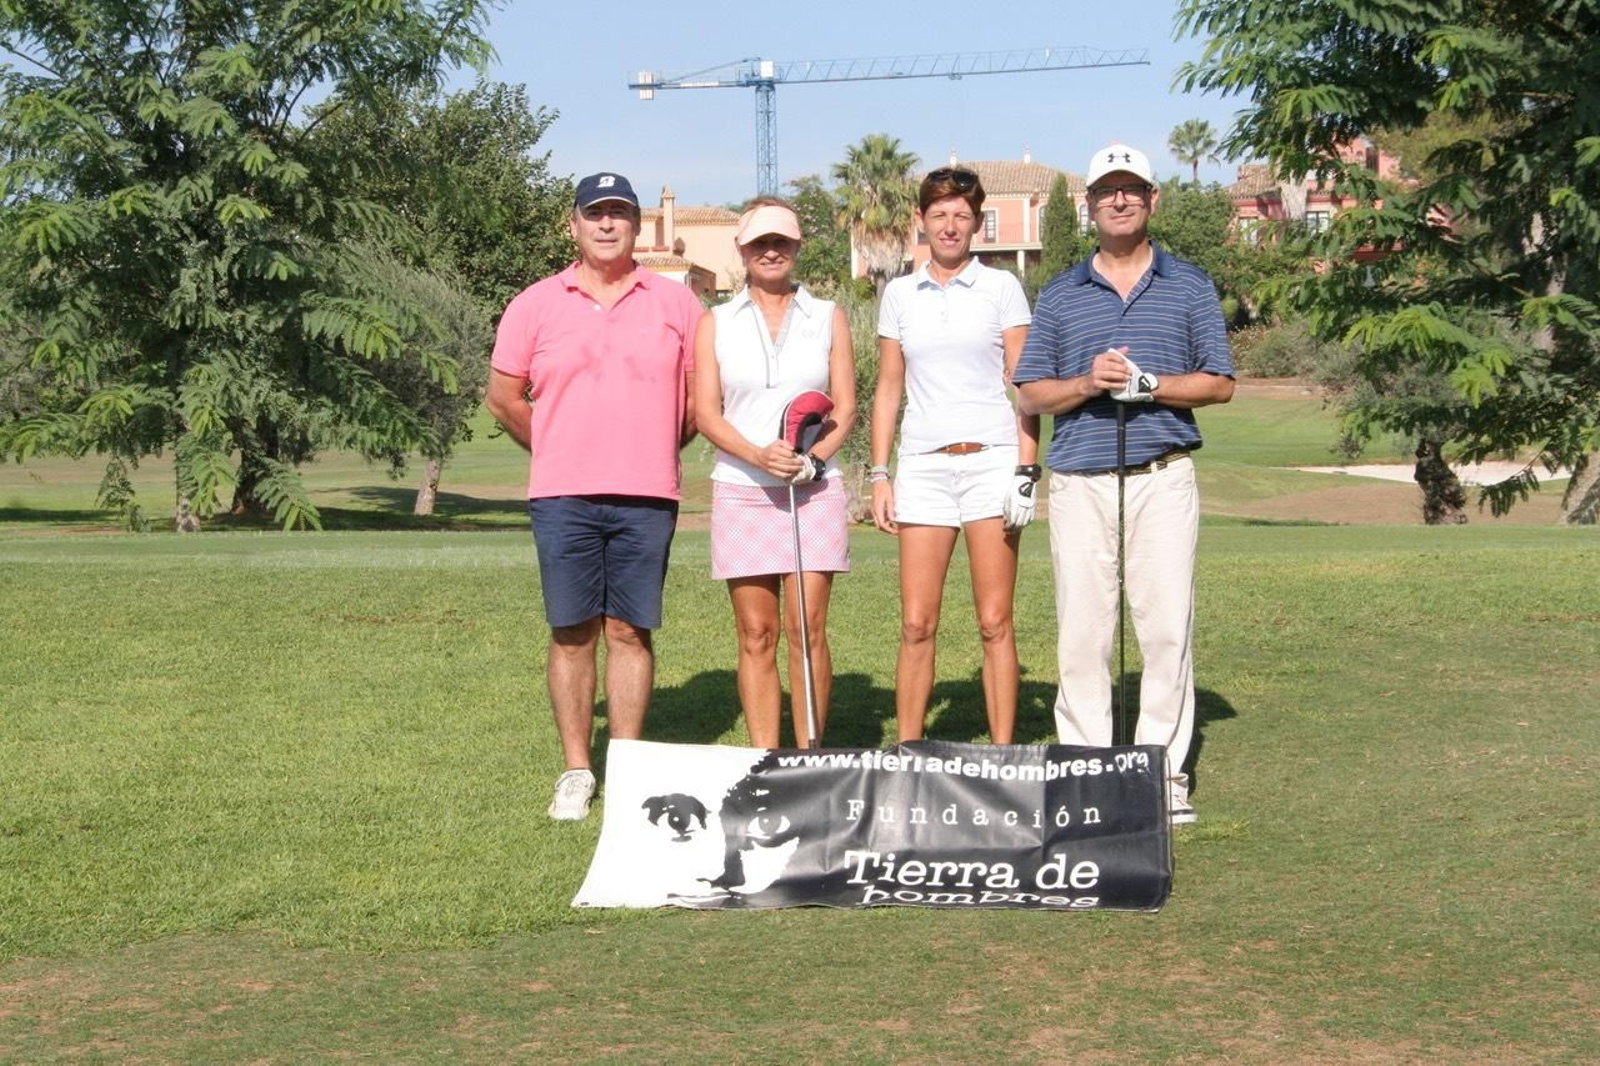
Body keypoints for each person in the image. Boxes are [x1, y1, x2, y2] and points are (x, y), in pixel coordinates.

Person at [1013, 143, 1236, 825]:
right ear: (1089, 205)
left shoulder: (1189, 284)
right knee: (1083, 635)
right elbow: (1030, 391)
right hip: (1080, 481)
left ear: (1151, 199)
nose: (1119, 199)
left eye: (1131, 189)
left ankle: (1161, 780)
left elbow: (1220, 383)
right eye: (1107, 190)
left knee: (1165, 630)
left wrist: (1151, 385)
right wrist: (1088, 382)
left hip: (1161, 477)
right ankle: (1086, 776)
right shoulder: (1060, 292)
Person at [485, 171, 704, 820]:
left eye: (619, 214)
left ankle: (628, 769)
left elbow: (699, 403)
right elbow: (503, 397)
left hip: (647, 493)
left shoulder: (677, 304)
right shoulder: (534, 304)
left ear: (637, 226)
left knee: (630, 629)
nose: (607, 224)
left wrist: (654, 445)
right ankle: (578, 770)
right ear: (573, 226)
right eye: (595, 213)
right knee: (572, 630)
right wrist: (556, 445)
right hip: (563, 495)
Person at [869, 166, 1038, 745]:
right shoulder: (899, 294)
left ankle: (1003, 754)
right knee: (917, 622)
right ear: (921, 220)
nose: (949, 226)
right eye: (939, 214)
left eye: (961, 215)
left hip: (992, 461)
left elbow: (1024, 384)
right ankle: (909, 750)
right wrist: (880, 474)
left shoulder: (1001, 288)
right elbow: (889, 387)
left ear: (976, 222)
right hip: (923, 467)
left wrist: (1026, 469)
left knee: (994, 621)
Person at [693, 197, 856, 748]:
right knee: (756, 633)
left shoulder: (827, 315)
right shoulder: (715, 322)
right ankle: (765, 759)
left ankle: (809, 757)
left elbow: (846, 408)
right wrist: (757, 455)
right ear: (742, 250)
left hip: (814, 490)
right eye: (759, 242)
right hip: (742, 491)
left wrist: (813, 460)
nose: (770, 251)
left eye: (781, 241)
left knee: (806, 629)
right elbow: (707, 414)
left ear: (797, 247)